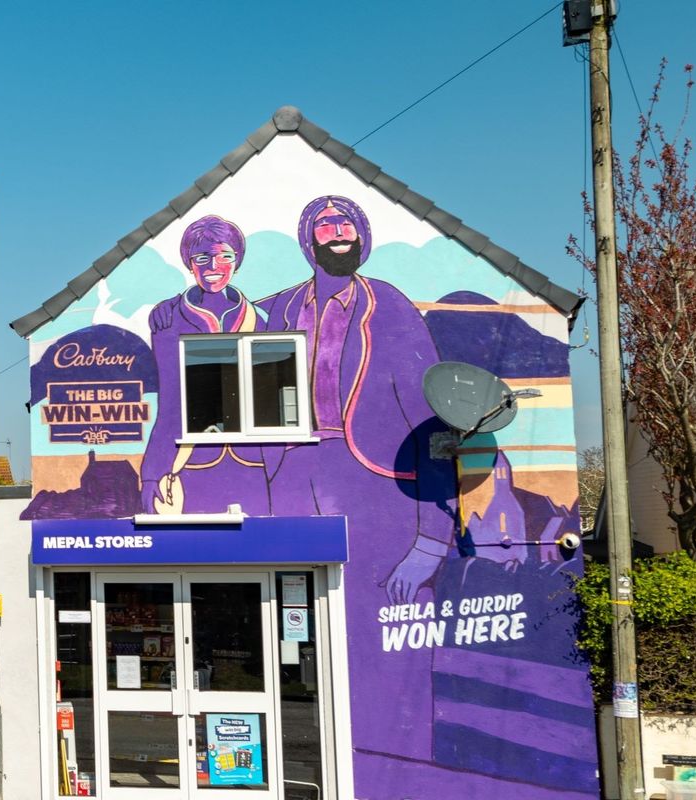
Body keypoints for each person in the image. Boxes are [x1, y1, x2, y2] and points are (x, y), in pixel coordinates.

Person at [260, 195, 457, 765]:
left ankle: (399, 761)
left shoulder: (390, 306)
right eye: (325, 224)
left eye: (346, 222)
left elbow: (434, 423)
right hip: (292, 472)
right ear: (308, 240)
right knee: (294, 622)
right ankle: (318, 754)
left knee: (389, 625)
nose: (337, 231)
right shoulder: (278, 309)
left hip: (376, 480)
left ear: (363, 235)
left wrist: (430, 540)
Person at [140, 215, 270, 515]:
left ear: (237, 261)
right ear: (190, 263)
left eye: (225, 256)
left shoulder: (261, 320)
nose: (214, 266)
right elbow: (170, 404)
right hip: (196, 461)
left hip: (254, 462)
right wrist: (151, 473)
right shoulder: (169, 320)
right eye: (202, 258)